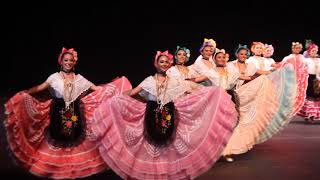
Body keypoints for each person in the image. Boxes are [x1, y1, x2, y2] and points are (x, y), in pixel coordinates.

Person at [91, 50, 238, 179]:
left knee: (170, 146)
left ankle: (168, 174)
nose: (164, 64)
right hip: (151, 115)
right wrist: (116, 97)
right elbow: (133, 92)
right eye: (161, 61)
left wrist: (212, 93)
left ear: (169, 65)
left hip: (170, 115)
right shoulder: (149, 81)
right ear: (156, 64)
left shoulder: (174, 81)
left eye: (167, 62)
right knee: (151, 145)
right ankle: (152, 173)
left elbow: (191, 91)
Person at [4, 47, 132, 179]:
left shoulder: (79, 79)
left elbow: (97, 89)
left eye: (71, 60)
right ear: (61, 61)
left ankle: (70, 170)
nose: (68, 62)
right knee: (59, 138)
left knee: (73, 138)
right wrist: (26, 93)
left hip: (75, 111)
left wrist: (114, 86)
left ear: (74, 62)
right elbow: (41, 87)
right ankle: (55, 170)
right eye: (66, 60)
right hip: (58, 111)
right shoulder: (54, 77)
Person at [298, 43, 320, 123]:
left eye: (315, 51)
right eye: (312, 51)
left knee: (317, 97)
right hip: (309, 79)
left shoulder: (319, 60)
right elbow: (301, 70)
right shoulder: (306, 60)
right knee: (310, 96)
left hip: (318, 79)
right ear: (309, 52)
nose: (314, 52)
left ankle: (314, 114)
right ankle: (309, 115)